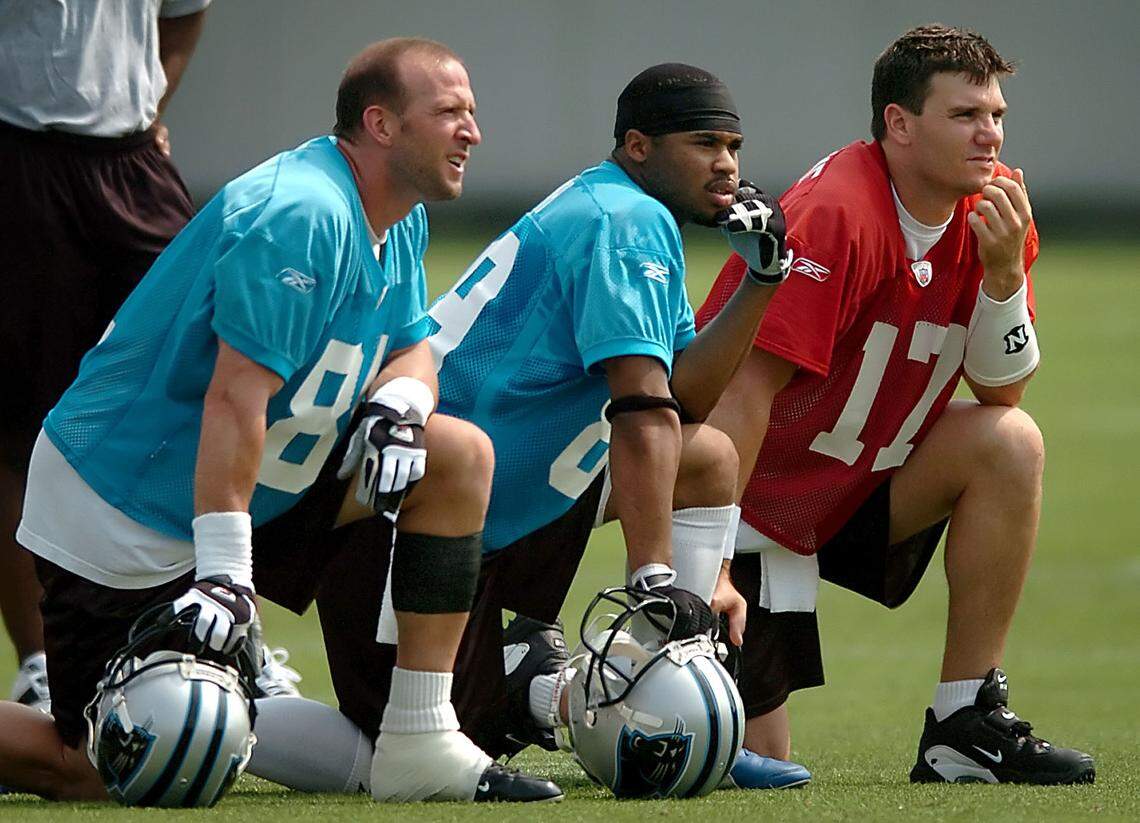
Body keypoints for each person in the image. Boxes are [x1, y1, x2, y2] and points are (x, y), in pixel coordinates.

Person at [0, 37, 559, 804]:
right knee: (109, 764)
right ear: (382, 125)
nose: (473, 131)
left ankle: (417, 738)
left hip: (249, 482)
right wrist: (229, 575)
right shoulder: (300, 213)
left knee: (452, 453)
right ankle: (204, 688)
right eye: (450, 112)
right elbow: (233, 397)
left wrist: (401, 403)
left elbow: (414, 347)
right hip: (127, 502)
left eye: (472, 113)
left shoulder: (395, 215)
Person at [252, 62, 806, 797]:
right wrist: (654, 579)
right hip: (413, 508)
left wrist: (762, 282)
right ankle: (209, 707)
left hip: (509, 483)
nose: (728, 165)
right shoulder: (625, 220)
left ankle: (680, 686)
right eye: (705, 143)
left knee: (704, 456)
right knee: (409, 750)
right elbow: (641, 410)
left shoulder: (634, 214)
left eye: (733, 146)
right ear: (638, 146)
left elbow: (683, 406)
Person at [698, 24, 1095, 785]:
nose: (990, 134)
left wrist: (1004, 273)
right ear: (899, 125)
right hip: (753, 503)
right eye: (965, 115)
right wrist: (705, 559)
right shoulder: (837, 212)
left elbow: (1001, 389)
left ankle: (963, 725)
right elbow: (743, 393)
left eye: (998, 115)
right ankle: (588, 682)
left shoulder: (998, 208)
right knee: (743, 753)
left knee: (1011, 440)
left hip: (852, 488)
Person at [0, 0, 211, 715]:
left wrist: (153, 100)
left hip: (132, 165)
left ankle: (210, 635)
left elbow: (183, 15)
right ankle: (40, 662)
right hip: (16, 158)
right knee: (18, 424)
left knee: (202, 391)